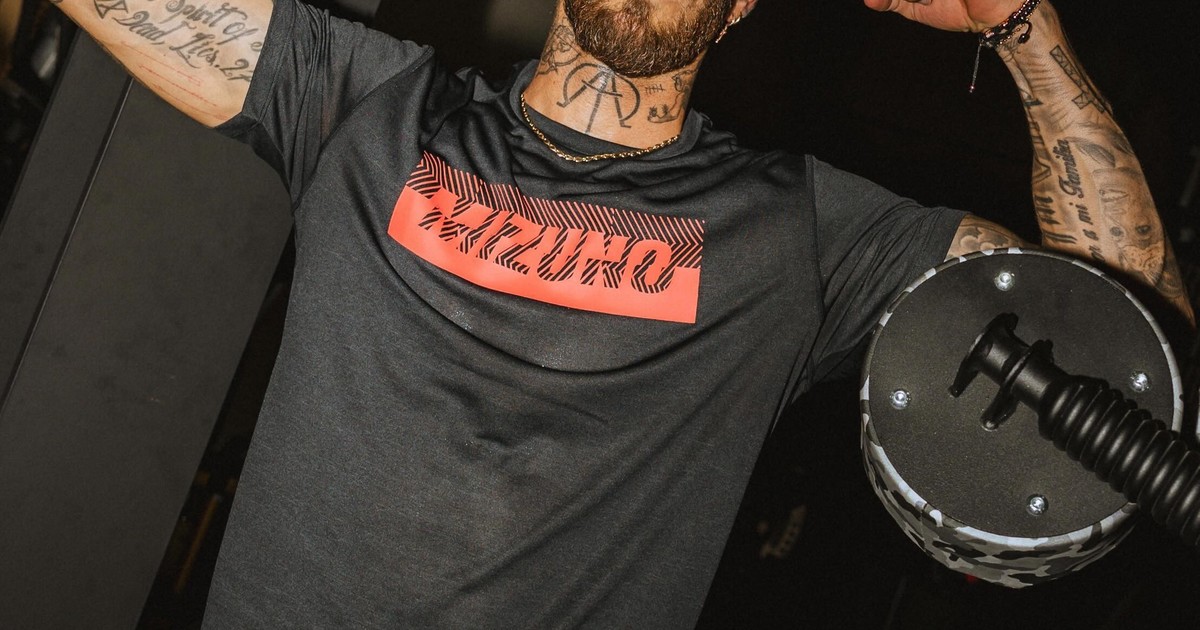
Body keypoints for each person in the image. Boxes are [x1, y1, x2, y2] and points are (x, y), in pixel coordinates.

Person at [51, 0, 1195, 626]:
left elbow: (1137, 357)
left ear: (739, 8)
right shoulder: (363, 102)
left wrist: (1023, 28)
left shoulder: (801, 231)